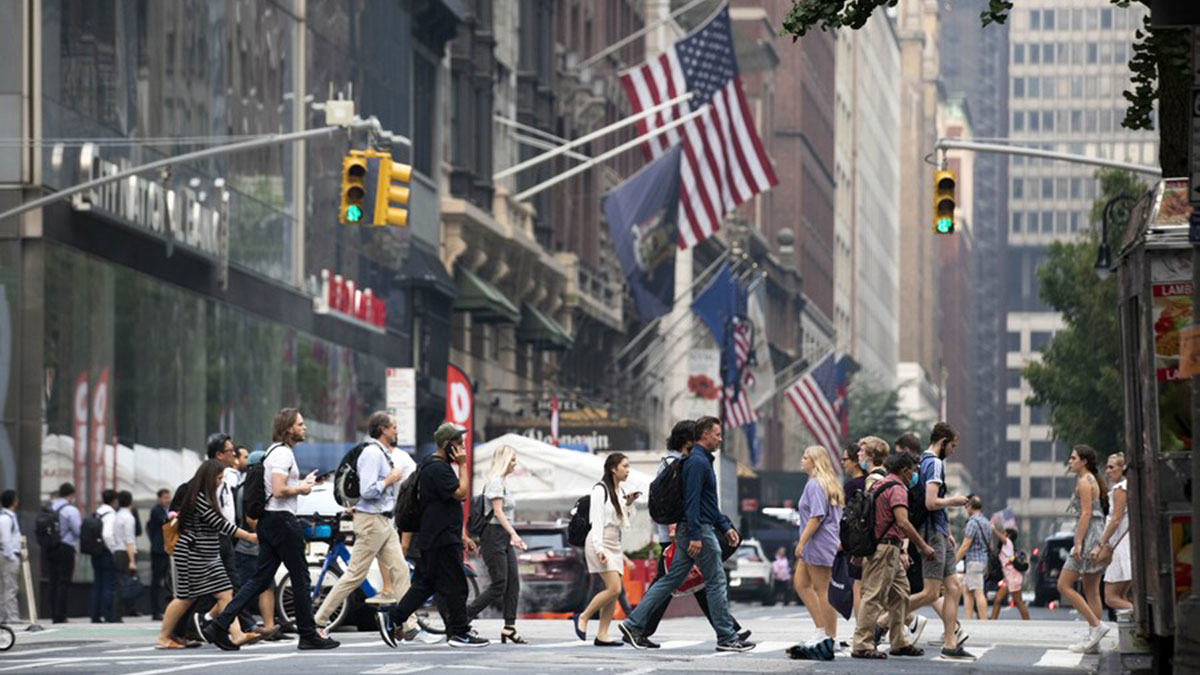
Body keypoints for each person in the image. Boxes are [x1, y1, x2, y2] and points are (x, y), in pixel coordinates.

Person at [201, 408, 340, 651]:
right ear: (288, 428)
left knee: (260, 579)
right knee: (300, 578)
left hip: (270, 521)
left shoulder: (275, 453)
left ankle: (219, 625)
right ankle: (308, 634)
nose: (304, 428)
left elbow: (277, 487)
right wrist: (301, 489)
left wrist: (303, 483)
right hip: (282, 522)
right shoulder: (283, 454)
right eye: (300, 424)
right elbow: (278, 490)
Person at [618, 416, 754, 653]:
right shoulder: (696, 463)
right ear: (703, 435)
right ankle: (726, 636)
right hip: (697, 529)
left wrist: (725, 527)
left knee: (669, 580)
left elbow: (707, 502)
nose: (720, 439)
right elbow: (693, 502)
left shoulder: (698, 461)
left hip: (694, 528)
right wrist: (695, 535)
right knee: (715, 581)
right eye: (717, 434)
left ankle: (633, 624)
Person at [377, 422, 488, 648]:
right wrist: (463, 465)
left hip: (436, 536)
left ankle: (393, 618)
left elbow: (447, 505)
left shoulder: (432, 465)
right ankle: (459, 633)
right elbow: (461, 493)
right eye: (459, 444)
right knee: (457, 586)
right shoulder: (438, 468)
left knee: (425, 584)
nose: (462, 448)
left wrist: (463, 536)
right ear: (447, 446)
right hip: (442, 538)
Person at [315, 412, 423, 641]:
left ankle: (408, 622)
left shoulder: (383, 454)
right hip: (371, 520)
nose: (396, 431)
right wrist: (390, 479)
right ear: (383, 429)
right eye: (393, 427)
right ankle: (318, 621)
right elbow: (367, 491)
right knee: (355, 574)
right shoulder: (373, 453)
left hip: (383, 520)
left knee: (401, 570)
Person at [155, 460, 261, 650]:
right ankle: (163, 637)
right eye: (219, 478)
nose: (220, 482)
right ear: (209, 477)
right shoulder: (198, 499)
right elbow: (221, 524)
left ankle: (236, 634)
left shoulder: (202, 495)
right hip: (193, 554)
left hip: (206, 554)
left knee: (225, 593)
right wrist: (249, 537)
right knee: (184, 598)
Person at [851, 452, 935, 660]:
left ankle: (899, 641)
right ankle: (862, 644)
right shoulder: (897, 489)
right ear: (905, 470)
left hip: (888, 548)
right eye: (913, 471)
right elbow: (903, 522)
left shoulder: (880, 484)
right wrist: (923, 546)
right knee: (874, 595)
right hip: (885, 549)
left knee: (901, 594)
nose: (914, 475)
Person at [906, 422, 972, 659]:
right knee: (931, 594)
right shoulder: (933, 463)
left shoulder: (925, 461)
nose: (953, 450)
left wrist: (949, 532)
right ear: (943, 442)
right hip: (932, 532)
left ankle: (950, 643)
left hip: (939, 531)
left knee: (954, 587)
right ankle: (884, 620)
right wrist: (954, 501)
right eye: (952, 446)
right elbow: (931, 503)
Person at [191, 435, 257, 640]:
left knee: (227, 588)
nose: (235, 455)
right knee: (215, 590)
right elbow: (216, 519)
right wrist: (247, 535)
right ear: (219, 454)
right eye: (231, 451)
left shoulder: (228, 476)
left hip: (224, 538)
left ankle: (228, 628)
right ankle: (209, 624)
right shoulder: (204, 486)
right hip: (211, 540)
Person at [787, 446, 845, 661]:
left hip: (817, 542)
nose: (802, 460)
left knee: (822, 590)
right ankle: (822, 630)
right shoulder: (826, 483)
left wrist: (801, 542)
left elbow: (816, 516)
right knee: (801, 583)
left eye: (805, 457)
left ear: (815, 461)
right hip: (820, 541)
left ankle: (829, 636)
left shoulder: (815, 484)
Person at [573, 453, 638, 647]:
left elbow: (624, 522)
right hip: (599, 541)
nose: (627, 470)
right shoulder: (600, 490)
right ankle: (583, 617)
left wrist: (628, 504)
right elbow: (597, 521)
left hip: (614, 544)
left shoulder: (620, 491)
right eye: (624, 466)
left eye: (628, 466)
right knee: (615, 588)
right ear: (613, 468)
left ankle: (602, 634)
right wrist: (599, 547)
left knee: (614, 592)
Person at [467, 444, 528, 643]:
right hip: (493, 536)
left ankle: (509, 628)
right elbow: (498, 512)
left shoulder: (502, 482)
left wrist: (510, 535)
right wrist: (514, 534)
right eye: (511, 460)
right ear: (503, 460)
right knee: (499, 583)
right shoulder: (495, 482)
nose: (515, 463)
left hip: (502, 535)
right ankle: (463, 617)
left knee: (513, 583)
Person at [1059, 444, 1111, 653]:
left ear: (1084, 461)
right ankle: (1093, 639)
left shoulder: (1084, 481)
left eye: (1073, 458)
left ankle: (1097, 627)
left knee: (1064, 585)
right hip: (1096, 532)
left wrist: (1078, 542)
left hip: (1089, 534)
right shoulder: (1092, 480)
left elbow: (1086, 514)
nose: (1070, 462)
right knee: (1091, 589)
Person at [233, 449, 287, 640]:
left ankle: (270, 627)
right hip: (248, 547)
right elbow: (250, 518)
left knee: (266, 586)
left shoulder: (251, 486)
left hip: (257, 546)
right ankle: (231, 623)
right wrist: (267, 534)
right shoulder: (246, 488)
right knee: (249, 588)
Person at [371, 440, 419, 605]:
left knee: (400, 551)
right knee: (388, 551)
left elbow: (392, 479)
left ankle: (391, 589)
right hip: (401, 512)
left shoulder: (396, 457)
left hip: (407, 512)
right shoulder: (392, 456)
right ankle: (390, 589)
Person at [853, 437, 889, 616]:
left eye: (862, 451)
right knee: (893, 594)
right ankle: (902, 631)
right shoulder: (886, 477)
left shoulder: (872, 480)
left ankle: (864, 636)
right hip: (887, 540)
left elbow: (866, 517)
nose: (858, 454)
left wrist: (859, 549)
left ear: (872, 455)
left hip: (876, 543)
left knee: (869, 592)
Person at [1095, 452, 1131, 614]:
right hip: (1127, 544)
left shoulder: (1120, 489)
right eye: (1107, 467)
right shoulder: (1130, 486)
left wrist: (1101, 543)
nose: (1108, 471)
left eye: (1111, 467)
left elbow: (1116, 519)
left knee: (1111, 597)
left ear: (1122, 468)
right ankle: (1132, 633)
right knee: (1122, 595)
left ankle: (1142, 618)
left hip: (1120, 547)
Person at [893, 433, 925, 601]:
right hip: (911, 536)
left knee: (921, 591)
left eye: (899, 452)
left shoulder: (914, 480)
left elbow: (906, 519)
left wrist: (904, 546)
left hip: (911, 537)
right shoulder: (917, 476)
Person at [46, 483, 81, 623]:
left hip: (50, 547)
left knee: (53, 580)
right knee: (64, 581)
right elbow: (78, 530)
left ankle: (53, 612)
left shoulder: (50, 507)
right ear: (71, 495)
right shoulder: (70, 510)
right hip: (65, 547)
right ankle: (61, 614)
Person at [955, 496, 990, 620]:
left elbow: (965, 545)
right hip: (983, 561)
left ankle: (984, 620)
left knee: (978, 592)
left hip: (974, 561)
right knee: (967, 590)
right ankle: (968, 619)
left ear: (970, 506)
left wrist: (955, 561)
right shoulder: (986, 522)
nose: (966, 509)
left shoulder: (972, 522)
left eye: (966, 506)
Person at [988, 526, 1030, 620]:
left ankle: (1027, 621)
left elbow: (1000, 537)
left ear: (1008, 535)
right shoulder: (1005, 547)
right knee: (998, 599)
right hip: (1007, 578)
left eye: (1005, 533)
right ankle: (993, 621)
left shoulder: (1008, 544)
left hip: (1013, 576)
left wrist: (993, 528)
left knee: (1018, 601)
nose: (1003, 535)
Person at [91, 488, 120, 623]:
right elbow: (107, 535)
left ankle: (95, 615)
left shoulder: (97, 512)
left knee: (98, 584)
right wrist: (113, 549)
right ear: (114, 500)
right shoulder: (111, 514)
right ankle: (108, 615)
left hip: (95, 552)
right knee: (108, 585)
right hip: (106, 552)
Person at [112, 490, 139, 622]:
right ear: (131, 502)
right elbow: (129, 540)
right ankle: (118, 614)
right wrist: (132, 560)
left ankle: (116, 614)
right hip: (125, 552)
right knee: (125, 584)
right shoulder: (129, 517)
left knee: (119, 584)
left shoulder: (117, 516)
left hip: (117, 551)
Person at [147, 488, 171, 621]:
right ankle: (155, 611)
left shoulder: (166, 511)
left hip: (165, 550)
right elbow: (165, 522)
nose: (167, 500)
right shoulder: (156, 511)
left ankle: (164, 609)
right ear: (159, 498)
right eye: (165, 497)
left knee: (166, 582)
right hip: (158, 550)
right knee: (156, 581)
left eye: (168, 497)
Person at [0, 490, 21, 623]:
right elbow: (6, 539)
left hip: (4, 554)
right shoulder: (6, 518)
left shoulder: (7, 517)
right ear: (13, 501)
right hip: (7, 556)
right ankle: (12, 617)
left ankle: (3, 616)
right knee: (11, 588)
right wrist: (11, 556)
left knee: (3, 588)